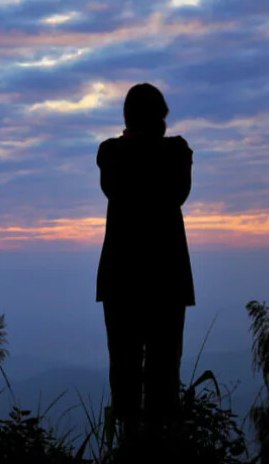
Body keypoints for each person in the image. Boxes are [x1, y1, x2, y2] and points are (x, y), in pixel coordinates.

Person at [96, 83, 195, 438]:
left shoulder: (113, 155)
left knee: (124, 370)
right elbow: (177, 192)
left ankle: (128, 444)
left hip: (121, 278)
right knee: (164, 372)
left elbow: (120, 178)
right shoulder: (173, 155)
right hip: (166, 278)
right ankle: (158, 443)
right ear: (157, 121)